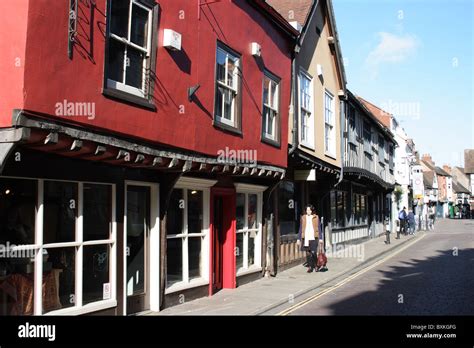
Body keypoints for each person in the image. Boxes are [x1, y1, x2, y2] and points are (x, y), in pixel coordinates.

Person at [297, 205, 319, 273]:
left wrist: (320, 238)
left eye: (309, 210)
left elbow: (319, 228)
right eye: (307, 210)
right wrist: (299, 239)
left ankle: (316, 265)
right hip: (306, 237)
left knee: (313, 252)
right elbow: (301, 228)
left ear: (312, 210)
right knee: (308, 253)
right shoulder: (303, 217)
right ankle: (310, 267)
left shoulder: (315, 217)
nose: (308, 211)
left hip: (313, 237)